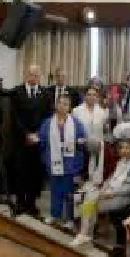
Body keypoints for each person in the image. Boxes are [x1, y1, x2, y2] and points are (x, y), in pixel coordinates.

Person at [85, 136, 130, 257]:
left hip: (128, 197)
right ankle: (85, 232)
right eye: (122, 148)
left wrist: (112, 193)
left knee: (93, 205)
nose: (124, 150)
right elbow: (111, 178)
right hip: (113, 194)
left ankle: (88, 234)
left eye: (127, 148)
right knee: (88, 200)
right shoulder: (120, 162)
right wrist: (103, 189)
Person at [9, 65, 53, 216]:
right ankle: (20, 203)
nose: (33, 77)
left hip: (39, 141)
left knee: (36, 174)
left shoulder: (46, 93)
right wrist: (26, 134)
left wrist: (38, 135)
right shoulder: (17, 92)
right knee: (21, 172)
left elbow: (48, 116)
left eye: (36, 75)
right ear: (26, 75)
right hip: (21, 140)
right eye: (31, 74)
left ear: (39, 76)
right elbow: (14, 117)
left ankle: (32, 203)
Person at [40, 92, 87, 230]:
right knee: (55, 190)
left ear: (70, 107)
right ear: (56, 105)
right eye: (60, 103)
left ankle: (70, 218)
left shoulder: (76, 123)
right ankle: (55, 214)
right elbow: (43, 141)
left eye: (66, 104)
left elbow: (82, 142)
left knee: (69, 192)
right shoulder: (48, 123)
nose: (62, 106)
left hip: (70, 162)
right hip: (53, 160)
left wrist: (79, 142)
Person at [72, 86, 111, 175]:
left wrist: (106, 127)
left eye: (94, 95)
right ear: (85, 96)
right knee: (82, 173)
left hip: (97, 147)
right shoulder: (76, 111)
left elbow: (105, 129)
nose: (91, 97)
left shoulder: (102, 112)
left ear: (97, 97)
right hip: (82, 148)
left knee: (96, 173)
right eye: (89, 94)